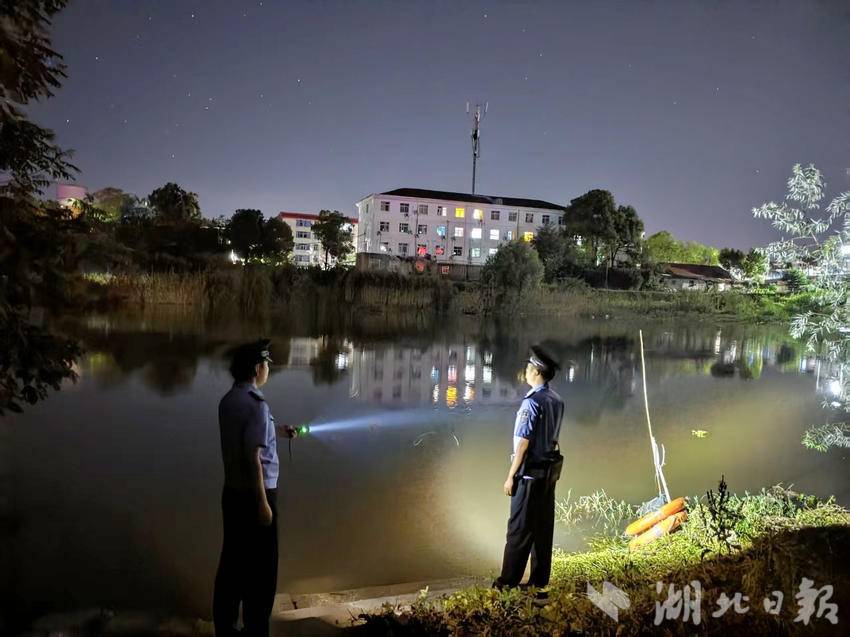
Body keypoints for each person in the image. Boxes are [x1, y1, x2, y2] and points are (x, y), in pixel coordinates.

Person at [213, 338, 295, 637]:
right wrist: (263, 504)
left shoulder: (229, 400)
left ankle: (225, 627)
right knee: (261, 570)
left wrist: (278, 431)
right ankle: (256, 629)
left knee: (233, 562)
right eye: (266, 365)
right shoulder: (257, 405)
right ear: (257, 368)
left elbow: (245, 436)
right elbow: (253, 457)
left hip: (232, 493)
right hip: (257, 494)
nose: (268, 370)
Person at [494, 345, 565, 593]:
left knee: (519, 529)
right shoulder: (556, 400)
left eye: (528, 368)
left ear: (536, 372)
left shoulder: (531, 403)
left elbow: (523, 443)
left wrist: (510, 476)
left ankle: (507, 582)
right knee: (542, 528)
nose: (525, 371)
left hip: (529, 474)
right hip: (548, 474)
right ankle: (539, 581)